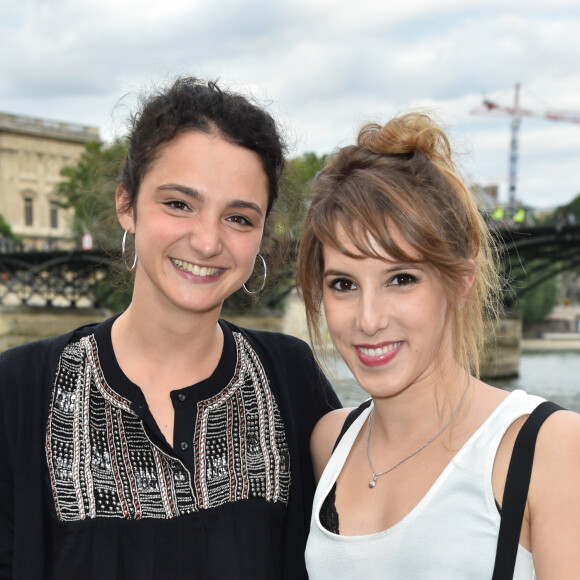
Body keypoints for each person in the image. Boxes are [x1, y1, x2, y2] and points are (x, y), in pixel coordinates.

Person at [0, 77, 340, 580]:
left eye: (240, 218)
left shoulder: (291, 377)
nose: (206, 241)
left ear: (263, 234)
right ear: (126, 204)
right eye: (179, 204)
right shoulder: (19, 391)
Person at [296, 112, 580, 578]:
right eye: (343, 284)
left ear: (460, 283)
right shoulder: (331, 441)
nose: (369, 320)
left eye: (401, 279)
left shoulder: (546, 448)